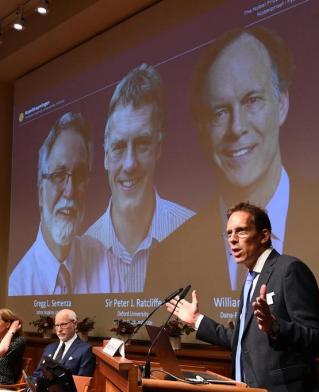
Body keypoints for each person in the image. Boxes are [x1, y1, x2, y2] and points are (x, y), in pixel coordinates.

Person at [145, 26, 294, 292]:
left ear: (281, 103)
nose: (236, 128)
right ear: (202, 128)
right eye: (219, 113)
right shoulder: (168, 255)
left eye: (252, 101)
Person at [167, 202, 319, 392]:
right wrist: (197, 320)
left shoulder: (289, 270)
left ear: (264, 236)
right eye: (229, 233)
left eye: (241, 231)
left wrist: (276, 327)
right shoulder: (251, 280)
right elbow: (242, 340)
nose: (233, 239)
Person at [86, 63, 194, 292]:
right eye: (117, 146)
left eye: (142, 144)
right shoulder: (82, 251)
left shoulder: (194, 231)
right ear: (105, 156)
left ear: (158, 148)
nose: (129, 164)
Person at [9, 112, 123, 295]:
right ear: (40, 191)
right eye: (59, 175)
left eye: (79, 176)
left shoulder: (106, 264)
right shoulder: (17, 285)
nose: (70, 191)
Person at [32, 309, 95, 381]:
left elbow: (82, 383)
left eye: (63, 325)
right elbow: (36, 375)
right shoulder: (49, 348)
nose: (59, 330)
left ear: (75, 324)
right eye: (56, 325)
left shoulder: (85, 350)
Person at [0, 309, 25, 385]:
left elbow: (1, 350)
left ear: (8, 324)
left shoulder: (19, 341)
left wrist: (11, 331)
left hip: (4, 382)